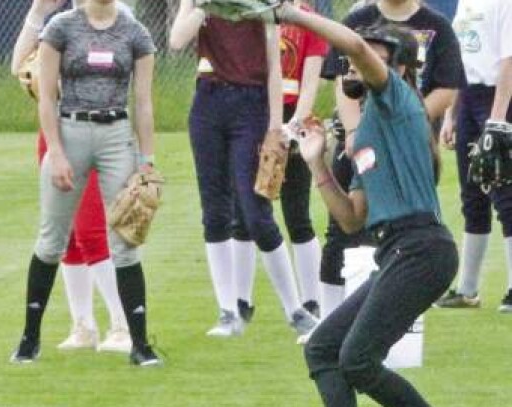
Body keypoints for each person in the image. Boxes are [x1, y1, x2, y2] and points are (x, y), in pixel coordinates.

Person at [262, 5, 459, 405]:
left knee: (358, 359)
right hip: (396, 252)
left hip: (421, 250)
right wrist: (317, 163)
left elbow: (350, 42)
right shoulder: (369, 128)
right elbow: (353, 220)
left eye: (369, 55)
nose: (353, 62)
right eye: (355, 57)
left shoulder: (397, 99)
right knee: (321, 349)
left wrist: (290, 14)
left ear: (399, 69)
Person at [10, 0, 161, 366]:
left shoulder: (134, 32)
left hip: (116, 133)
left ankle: (138, 343)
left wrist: (146, 160)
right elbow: (45, 96)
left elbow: (142, 102)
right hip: (71, 129)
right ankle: (29, 338)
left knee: (125, 240)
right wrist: (57, 153)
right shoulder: (61, 27)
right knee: (52, 239)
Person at [169, 0, 317, 338]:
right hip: (209, 100)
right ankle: (227, 311)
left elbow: (274, 68)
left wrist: (276, 128)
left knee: (256, 211)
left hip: (251, 104)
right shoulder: (204, 5)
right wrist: (201, 6)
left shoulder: (259, 6)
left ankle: (294, 309)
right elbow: (177, 40)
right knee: (215, 210)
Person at [318, 0, 465, 317]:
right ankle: (331, 317)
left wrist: (403, 125)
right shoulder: (359, 18)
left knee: (394, 224)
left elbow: (447, 87)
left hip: (415, 233)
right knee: (343, 230)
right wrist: (355, 129)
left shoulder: (436, 26)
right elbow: (345, 79)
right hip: (363, 138)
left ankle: (384, 311)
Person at [231, 0, 329, 321]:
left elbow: (310, 81)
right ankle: (240, 301)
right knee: (243, 211)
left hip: (291, 120)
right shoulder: (252, 14)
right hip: (255, 114)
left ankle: (312, 300)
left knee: (296, 212)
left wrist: (293, 126)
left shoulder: (309, 20)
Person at [435, 0, 512, 312]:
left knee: (505, 193)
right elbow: (460, 62)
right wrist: (451, 116)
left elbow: (509, 60)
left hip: (498, 97)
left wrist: (497, 119)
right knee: (473, 192)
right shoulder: (466, 2)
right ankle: (467, 289)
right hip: (468, 97)